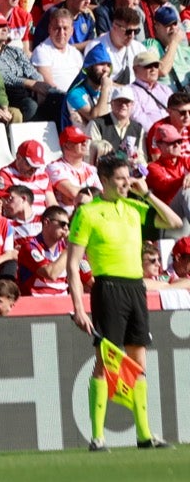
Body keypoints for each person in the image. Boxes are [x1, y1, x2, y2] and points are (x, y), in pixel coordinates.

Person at [67, 153, 179, 450]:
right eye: (120, 178)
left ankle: (144, 434)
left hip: (135, 288)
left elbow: (175, 221)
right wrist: (79, 307)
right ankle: (97, 436)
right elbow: (73, 264)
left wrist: (147, 193)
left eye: (128, 178)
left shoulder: (133, 207)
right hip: (108, 288)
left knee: (138, 361)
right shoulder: (88, 213)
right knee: (107, 361)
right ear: (104, 180)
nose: (126, 183)